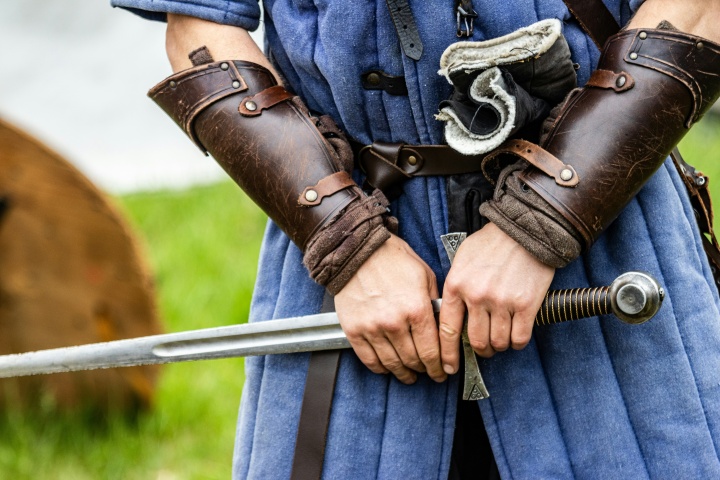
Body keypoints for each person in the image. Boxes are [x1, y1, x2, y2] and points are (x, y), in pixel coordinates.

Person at [112, 0, 720, 478]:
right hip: (346, 247)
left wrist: (541, 220)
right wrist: (349, 244)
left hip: (602, 233)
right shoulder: (348, 247)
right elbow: (199, 32)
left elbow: (699, 10)